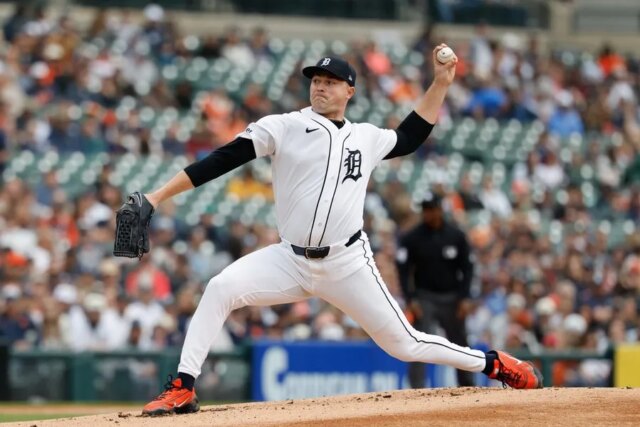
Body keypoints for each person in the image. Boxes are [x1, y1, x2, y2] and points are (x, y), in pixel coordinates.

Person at [138, 45, 542, 416]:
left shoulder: (365, 137)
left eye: (330, 82)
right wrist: (156, 197)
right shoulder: (284, 126)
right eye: (316, 80)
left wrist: (439, 84)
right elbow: (222, 158)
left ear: (350, 91)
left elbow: (410, 136)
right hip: (290, 259)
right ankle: (183, 386)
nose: (320, 87)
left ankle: (493, 363)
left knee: (405, 344)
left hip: (347, 262)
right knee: (220, 288)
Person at [397, 192, 475, 388]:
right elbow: (403, 270)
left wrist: (465, 297)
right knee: (419, 342)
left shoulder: (456, 236)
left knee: (460, 342)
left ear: (440, 209)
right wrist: (410, 299)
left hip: (452, 297)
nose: (429, 213)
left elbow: (468, 268)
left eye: (432, 209)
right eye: (426, 210)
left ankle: (468, 385)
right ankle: (416, 388)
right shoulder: (412, 238)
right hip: (425, 297)